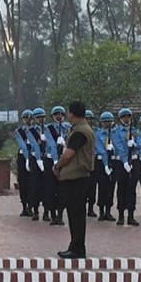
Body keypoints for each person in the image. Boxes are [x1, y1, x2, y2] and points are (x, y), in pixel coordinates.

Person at [52, 101, 95, 259]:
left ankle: (77, 248)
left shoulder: (80, 131)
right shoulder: (81, 129)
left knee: (76, 214)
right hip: (77, 176)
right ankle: (75, 245)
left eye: (68, 113)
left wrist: (57, 166)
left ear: (71, 114)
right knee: (75, 213)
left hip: (76, 177)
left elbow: (69, 154)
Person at [111, 108, 140, 226]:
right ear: (120, 119)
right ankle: (121, 215)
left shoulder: (135, 131)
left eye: (128, 116)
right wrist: (124, 162)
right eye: (124, 117)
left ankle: (131, 216)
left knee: (132, 189)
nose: (127, 119)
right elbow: (118, 147)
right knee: (121, 188)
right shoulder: (116, 131)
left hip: (133, 160)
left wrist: (135, 144)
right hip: (120, 163)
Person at [94, 112, 116, 221]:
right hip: (101, 162)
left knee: (111, 187)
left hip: (113, 161)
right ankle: (101, 211)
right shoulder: (97, 134)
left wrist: (113, 149)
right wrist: (105, 163)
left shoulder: (115, 134)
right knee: (102, 186)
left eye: (109, 121)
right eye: (105, 121)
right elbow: (99, 149)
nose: (107, 123)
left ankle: (108, 210)